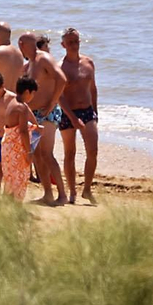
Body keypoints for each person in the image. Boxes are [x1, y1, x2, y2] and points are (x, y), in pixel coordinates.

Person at [18, 31, 67, 204]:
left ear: (23, 45)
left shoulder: (44, 59)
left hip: (47, 113)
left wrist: (52, 102)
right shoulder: (28, 66)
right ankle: (47, 194)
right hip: (34, 114)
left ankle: (62, 195)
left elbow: (61, 79)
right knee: (37, 155)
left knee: (47, 154)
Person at [57, 27, 99, 203]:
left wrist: (95, 112)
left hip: (87, 111)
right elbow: (59, 96)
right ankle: (73, 191)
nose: (74, 45)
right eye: (70, 42)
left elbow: (93, 88)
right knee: (70, 152)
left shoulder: (88, 63)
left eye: (76, 41)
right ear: (63, 45)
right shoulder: (60, 67)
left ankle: (87, 189)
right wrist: (73, 118)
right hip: (68, 112)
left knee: (93, 150)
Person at [1, 76, 38, 202]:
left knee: (9, 178)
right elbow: (23, 132)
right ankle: (16, 206)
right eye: (33, 93)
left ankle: (6, 206)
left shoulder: (12, 103)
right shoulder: (21, 107)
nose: (32, 97)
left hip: (7, 146)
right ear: (27, 92)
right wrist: (29, 151)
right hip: (16, 148)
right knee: (19, 178)